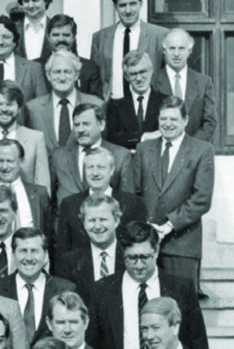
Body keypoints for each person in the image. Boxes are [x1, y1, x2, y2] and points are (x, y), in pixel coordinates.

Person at [86, 221, 209, 349]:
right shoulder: (102, 290)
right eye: (132, 258)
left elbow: (198, 345)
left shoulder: (181, 288)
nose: (139, 265)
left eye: (145, 257)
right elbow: (92, 346)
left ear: (156, 251)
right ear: (123, 253)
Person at [129, 96, 215, 290]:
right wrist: (145, 225)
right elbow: (133, 192)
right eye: (163, 119)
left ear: (185, 120)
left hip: (182, 244)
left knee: (181, 307)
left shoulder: (202, 150)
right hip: (145, 243)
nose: (167, 124)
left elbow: (202, 199)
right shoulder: (144, 149)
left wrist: (169, 225)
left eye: (173, 119)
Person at [54, 150, 148, 261]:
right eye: (90, 167)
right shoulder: (69, 204)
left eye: (101, 167)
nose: (95, 173)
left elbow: (140, 247)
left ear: (112, 170)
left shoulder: (133, 203)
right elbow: (63, 250)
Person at [0, 226, 75, 343]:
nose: (28, 258)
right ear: (13, 255)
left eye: (34, 251)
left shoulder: (65, 289)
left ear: (45, 255)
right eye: (23, 251)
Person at [90, 0, 169, 100]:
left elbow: (166, 78)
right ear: (115, 7)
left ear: (141, 3)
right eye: (122, 5)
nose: (128, 11)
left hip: (146, 108)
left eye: (132, 4)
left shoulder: (160, 35)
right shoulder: (100, 38)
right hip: (111, 108)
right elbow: (95, 80)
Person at [48, 102, 134, 202]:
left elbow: (128, 201)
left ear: (101, 125)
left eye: (86, 124)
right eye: (77, 125)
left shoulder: (120, 156)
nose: (80, 130)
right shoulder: (58, 156)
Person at [24, 49, 103, 152]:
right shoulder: (33, 108)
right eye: (57, 72)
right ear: (48, 76)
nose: (62, 77)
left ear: (76, 75)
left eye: (67, 72)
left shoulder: (96, 104)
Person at [151, 28, 216, 142]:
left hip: (195, 151)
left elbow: (209, 123)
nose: (176, 54)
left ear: (189, 51)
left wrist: (189, 147)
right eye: (172, 48)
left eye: (181, 48)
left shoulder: (203, 82)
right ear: (164, 51)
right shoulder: (153, 80)